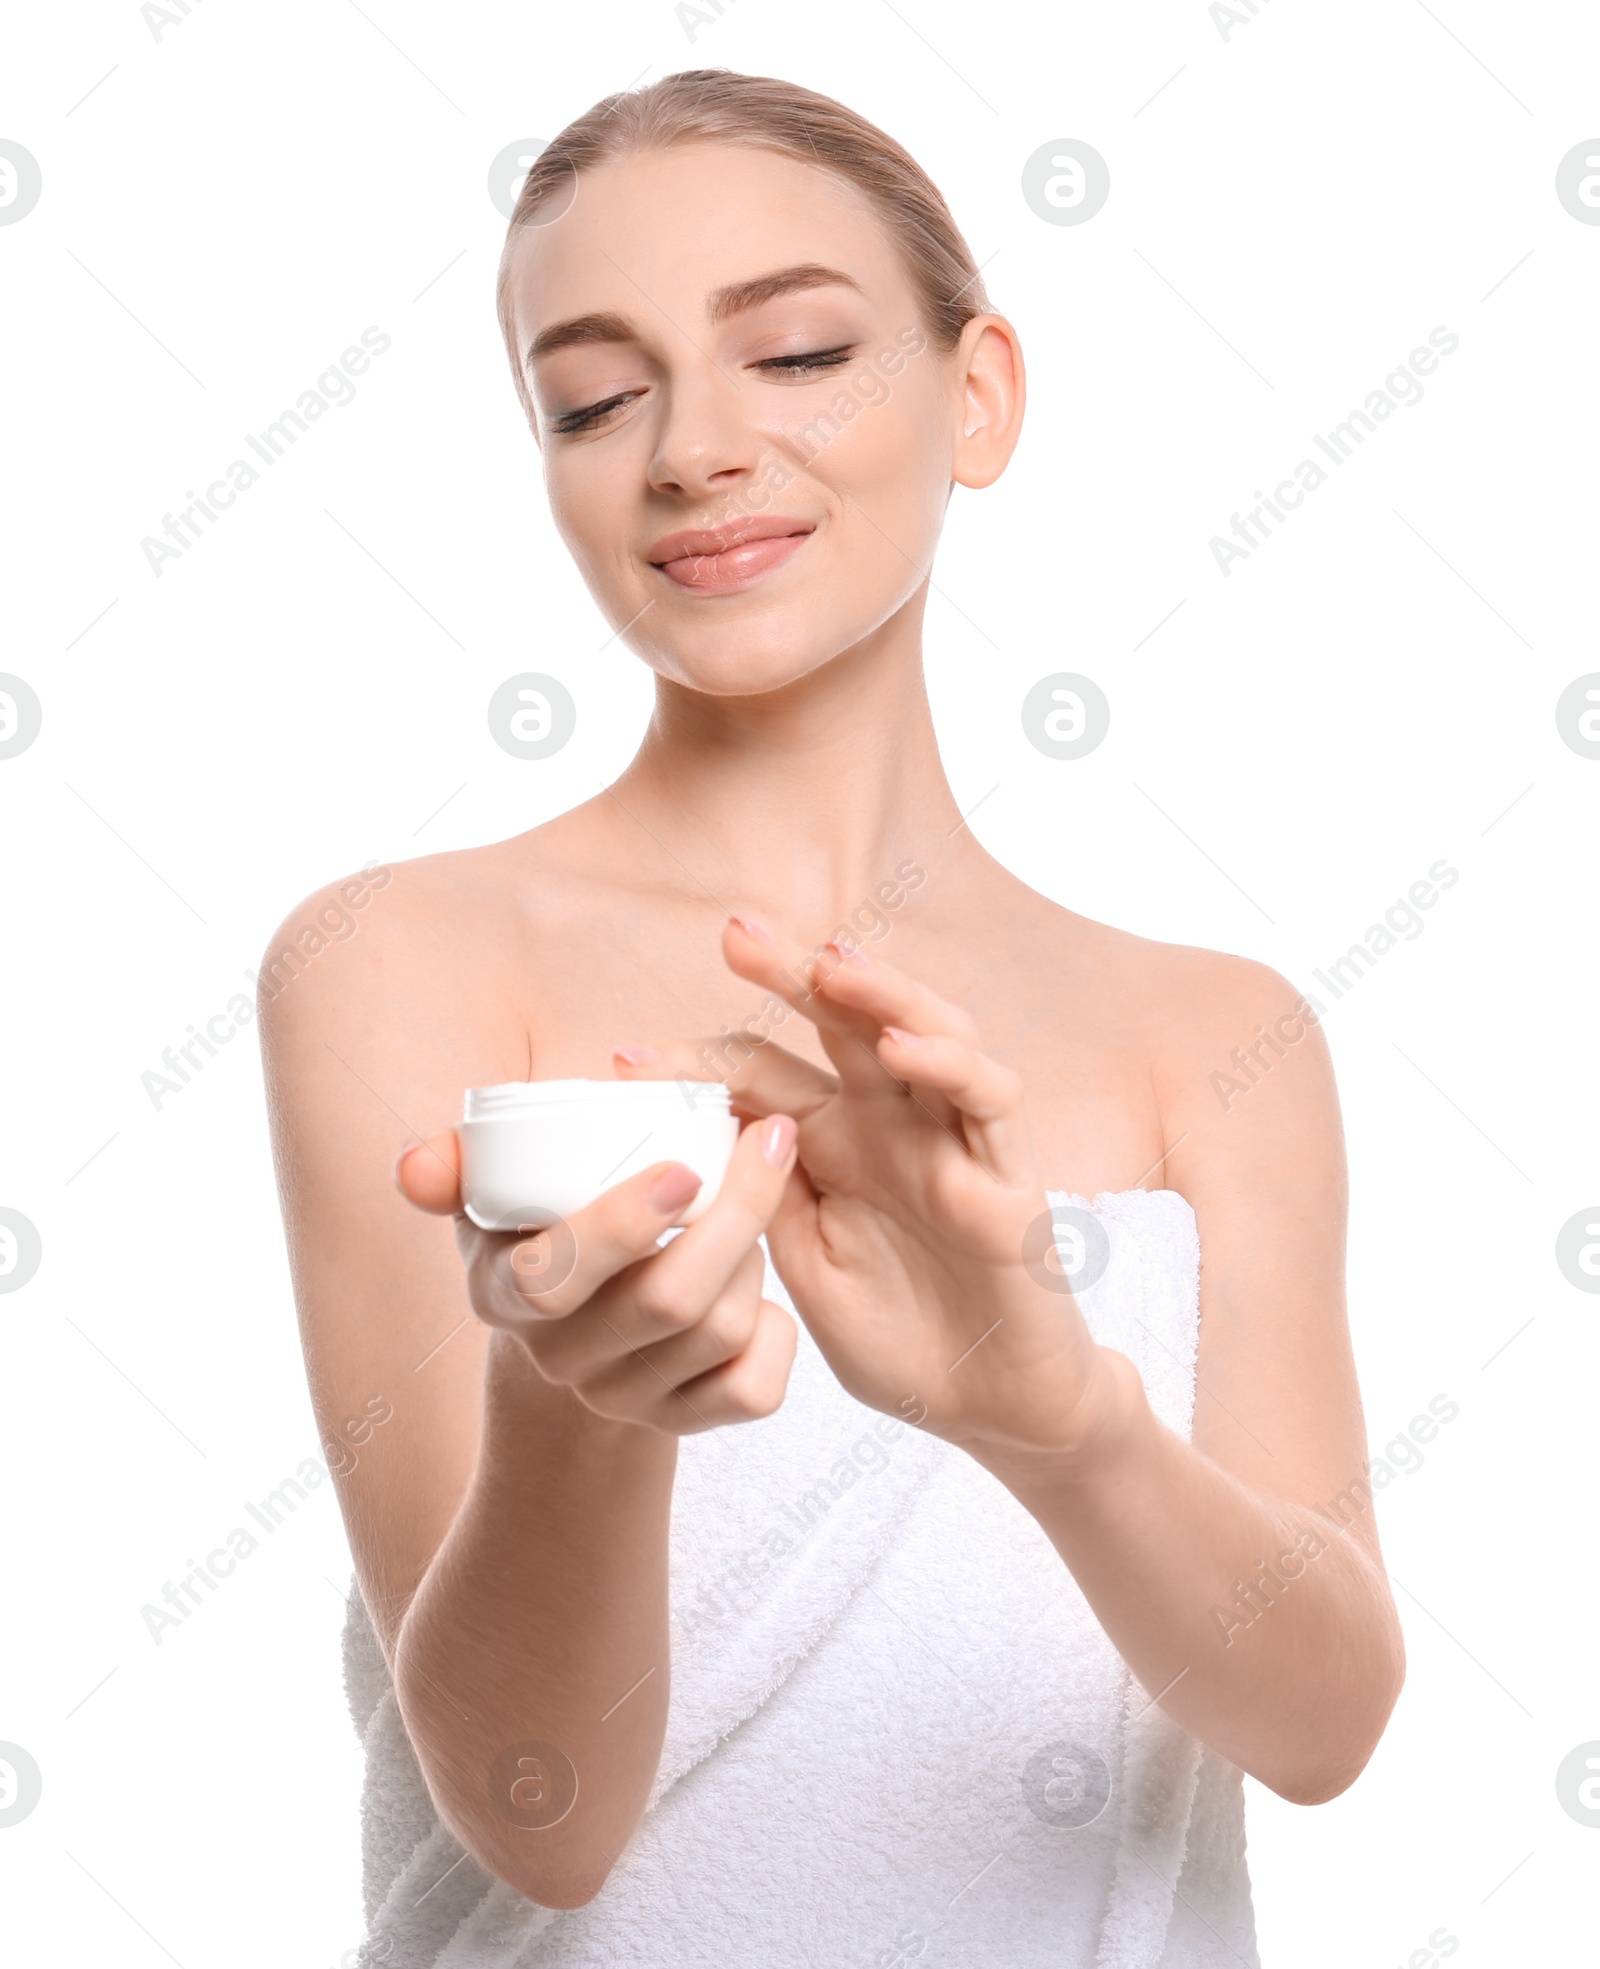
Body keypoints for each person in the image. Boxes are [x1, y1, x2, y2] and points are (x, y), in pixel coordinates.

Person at [260, 68, 1404, 1968]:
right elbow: (537, 1818)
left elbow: (1327, 1725)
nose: (694, 449)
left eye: (795, 353)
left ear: (980, 395)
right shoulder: (401, 960)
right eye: (595, 395)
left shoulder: (1220, 1038)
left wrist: (1056, 1418)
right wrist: (574, 1407)